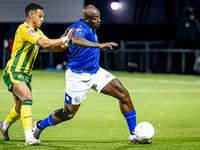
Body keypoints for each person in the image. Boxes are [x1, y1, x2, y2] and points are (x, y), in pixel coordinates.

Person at [32, 5, 150, 144]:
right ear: (86, 19)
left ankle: (133, 134)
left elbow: (67, 43)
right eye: (95, 18)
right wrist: (99, 45)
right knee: (68, 113)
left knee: (123, 94)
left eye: (99, 17)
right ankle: (39, 125)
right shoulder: (81, 27)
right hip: (78, 76)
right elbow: (76, 40)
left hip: (95, 72)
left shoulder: (88, 26)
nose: (99, 20)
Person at [0, 3, 74, 146]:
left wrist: (67, 41)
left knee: (20, 107)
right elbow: (44, 44)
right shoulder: (25, 28)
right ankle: (29, 137)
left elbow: (53, 47)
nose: (42, 19)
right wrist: (64, 39)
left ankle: (4, 126)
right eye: (40, 16)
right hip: (14, 71)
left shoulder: (38, 32)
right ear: (30, 16)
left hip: (26, 75)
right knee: (27, 96)